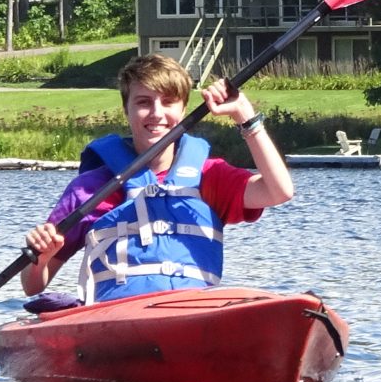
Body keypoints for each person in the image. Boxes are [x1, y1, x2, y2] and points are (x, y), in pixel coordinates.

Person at [18, 54, 295, 305]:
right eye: (143, 102)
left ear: (184, 109)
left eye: (168, 102)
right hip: (116, 319)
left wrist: (245, 116)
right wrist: (40, 259)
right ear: (126, 109)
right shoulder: (90, 188)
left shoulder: (211, 176)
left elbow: (279, 191)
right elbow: (33, 285)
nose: (157, 113)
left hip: (192, 314)